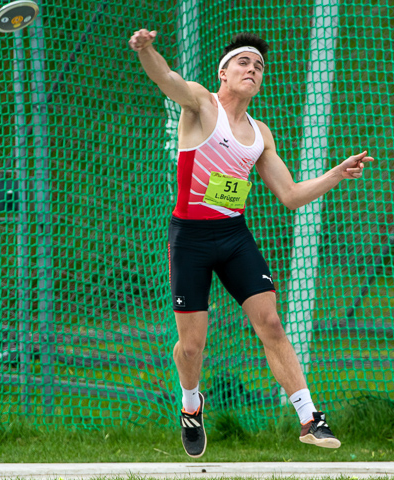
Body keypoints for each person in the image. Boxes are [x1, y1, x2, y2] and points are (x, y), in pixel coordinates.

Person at [129, 29, 373, 458]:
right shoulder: (201, 104)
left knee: (273, 324)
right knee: (192, 345)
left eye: (259, 67)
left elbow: (291, 196)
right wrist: (146, 49)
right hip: (190, 238)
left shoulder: (260, 133)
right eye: (244, 62)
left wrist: (337, 173)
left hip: (234, 235)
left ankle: (309, 417)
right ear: (223, 72)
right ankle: (191, 405)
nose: (252, 70)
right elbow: (165, 77)